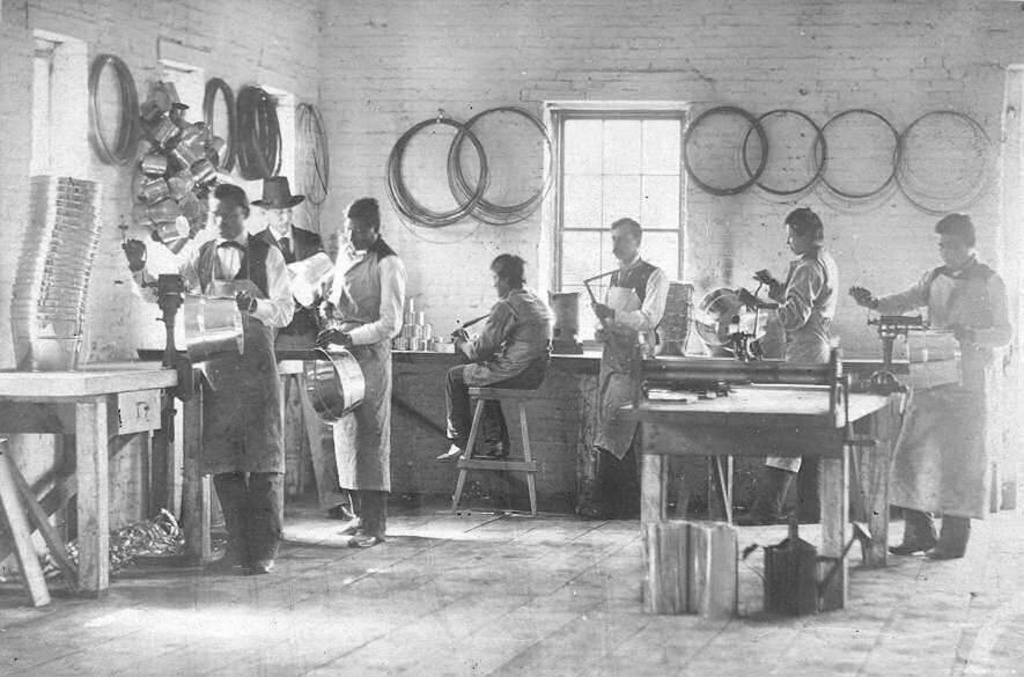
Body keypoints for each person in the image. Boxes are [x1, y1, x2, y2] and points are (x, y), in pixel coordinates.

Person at [124, 183, 294, 575]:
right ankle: (236, 548)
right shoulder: (201, 255)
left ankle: (263, 551)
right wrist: (138, 268)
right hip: (216, 367)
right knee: (224, 461)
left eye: (228, 214)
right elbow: (162, 293)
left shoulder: (268, 254)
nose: (220, 221)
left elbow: (285, 310)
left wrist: (257, 306)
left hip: (256, 369)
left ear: (244, 214)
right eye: (215, 214)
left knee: (264, 460)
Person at [850, 213, 1011, 560]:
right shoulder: (934, 278)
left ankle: (955, 540)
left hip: (968, 382)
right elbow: (906, 299)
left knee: (960, 461)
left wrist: (973, 335)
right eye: (941, 246)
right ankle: (918, 532)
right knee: (909, 453)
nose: (945, 253)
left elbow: (1006, 333)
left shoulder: (990, 281)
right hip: (930, 377)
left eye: (951, 246)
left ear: (970, 245)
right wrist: (874, 303)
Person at [253, 177, 348, 520]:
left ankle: (334, 499)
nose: (281, 217)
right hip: (273, 339)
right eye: (275, 211)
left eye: (286, 211)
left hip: (307, 335)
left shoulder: (309, 241)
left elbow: (327, 284)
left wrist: (317, 290)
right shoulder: (255, 246)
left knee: (320, 417)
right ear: (266, 213)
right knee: (269, 421)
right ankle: (271, 504)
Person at [736, 207, 838, 525]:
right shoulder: (825, 261)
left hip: (805, 354)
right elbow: (800, 301)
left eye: (791, 236)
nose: (788, 242)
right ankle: (810, 509)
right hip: (816, 350)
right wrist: (775, 288)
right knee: (808, 434)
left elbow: (795, 315)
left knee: (788, 431)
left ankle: (766, 508)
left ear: (804, 233)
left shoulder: (808, 266)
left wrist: (759, 306)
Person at [318, 198, 407, 549]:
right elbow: (337, 293)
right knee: (346, 434)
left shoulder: (389, 264)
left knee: (371, 436)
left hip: (369, 355)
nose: (352, 236)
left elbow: (391, 323)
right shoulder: (345, 255)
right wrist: (329, 304)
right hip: (343, 354)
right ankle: (359, 516)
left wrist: (350, 335)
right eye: (348, 229)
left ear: (376, 228)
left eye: (359, 230)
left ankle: (376, 524)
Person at [577, 218, 668, 520]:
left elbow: (649, 317)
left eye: (621, 239)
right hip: (611, 357)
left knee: (617, 423)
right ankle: (624, 503)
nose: (614, 245)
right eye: (612, 239)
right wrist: (602, 328)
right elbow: (608, 318)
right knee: (611, 423)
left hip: (635, 359)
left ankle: (605, 501)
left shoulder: (654, 275)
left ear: (637, 240)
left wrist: (613, 314)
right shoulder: (614, 277)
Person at [435, 254, 553, 462]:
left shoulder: (507, 305)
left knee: (455, 376)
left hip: (516, 372)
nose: (494, 284)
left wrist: (462, 342)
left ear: (506, 279)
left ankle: (459, 441)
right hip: (534, 373)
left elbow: (478, 352)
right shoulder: (535, 299)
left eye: (495, 278)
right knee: (482, 374)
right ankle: (495, 442)